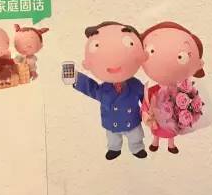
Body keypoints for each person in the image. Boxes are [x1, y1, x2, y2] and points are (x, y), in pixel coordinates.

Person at [70, 21, 148, 160]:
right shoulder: (104, 88)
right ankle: (114, 148)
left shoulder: (135, 84)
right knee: (113, 138)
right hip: (112, 121)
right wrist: (76, 78)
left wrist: (149, 110)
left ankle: (137, 147)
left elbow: (145, 97)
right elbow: (91, 88)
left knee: (135, 136)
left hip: (132, 120)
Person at [140, 21, 205, 154]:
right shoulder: (151, 89)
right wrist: (145, 112)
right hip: (156, 117)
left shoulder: (181, 91)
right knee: (156, 129)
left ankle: (171, 144)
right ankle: (155, 141)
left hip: (172, 119)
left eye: (182, 56)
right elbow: (146, 102)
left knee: (171, 130)